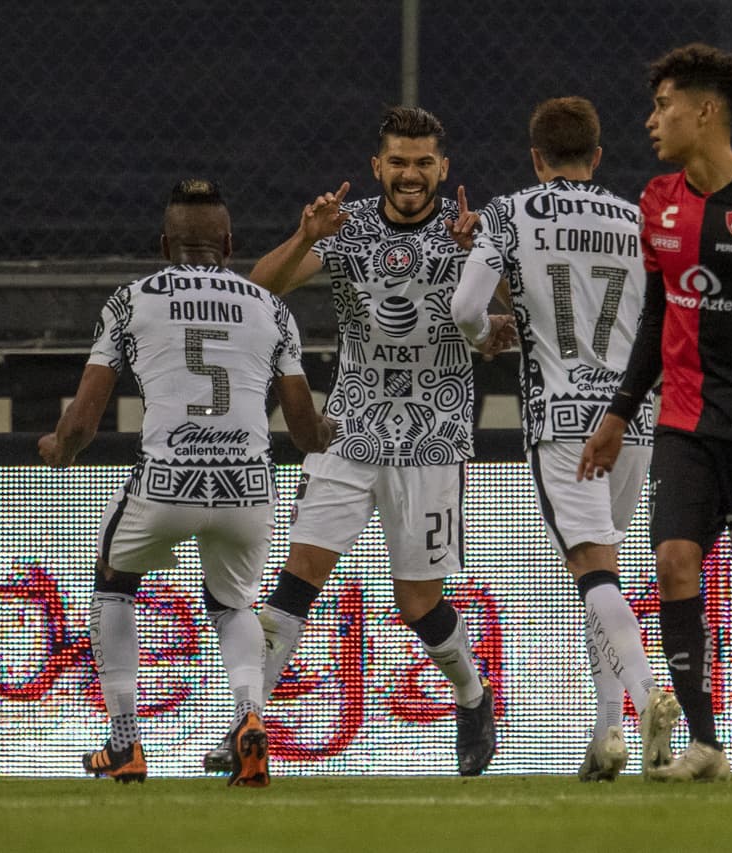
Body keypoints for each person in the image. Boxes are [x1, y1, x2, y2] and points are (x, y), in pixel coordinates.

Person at [202, 106, 513, 777]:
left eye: (423, 162)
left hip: (433, 439)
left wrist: (485, 267)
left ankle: (473, 695)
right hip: (350, 431)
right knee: (297, 580)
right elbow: (259, 288)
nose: (410, 174)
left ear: (443, 168)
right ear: (378, 166)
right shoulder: (348, 227)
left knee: (417, 602)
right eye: (398, 161)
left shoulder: (470, 233)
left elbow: (510, 320)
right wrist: (303, 233)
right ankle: (243, 728)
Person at [579, 43, 732, 784]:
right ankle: (704, 742)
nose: (652, 119)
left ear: (706, 111)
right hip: (685, 424)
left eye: (665, 105)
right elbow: (658, 316)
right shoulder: (657, 203)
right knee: (673, 562)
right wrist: (621, 411)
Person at [38, 179, 335, 787]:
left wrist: (56, 448)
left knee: (115, 584)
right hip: (247, 489)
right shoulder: (269, 306)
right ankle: (250, 717)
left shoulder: (131, 301)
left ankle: (125, 743)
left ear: (163, 243)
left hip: (167, 484)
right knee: (233, 605)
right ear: (228, 244)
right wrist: (348, 429)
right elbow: (306, 433)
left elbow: (84, 422)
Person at [451, 96, 682, 782]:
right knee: (601, 576)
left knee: (593, 571)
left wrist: (488, 334)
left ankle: (648, 700)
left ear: (535, 157)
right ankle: (606, 733)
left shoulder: (508, 211)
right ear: (598, 156)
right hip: (633, 417)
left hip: (562, 421)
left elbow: (466, 307)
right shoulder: (637, 218)